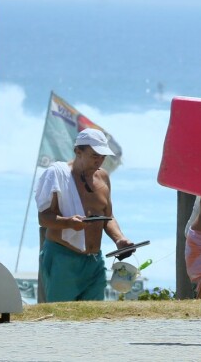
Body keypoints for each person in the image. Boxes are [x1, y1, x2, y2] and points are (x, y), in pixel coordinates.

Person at [35, 128, 133, 302]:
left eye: (103, 156)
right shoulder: (56, 174)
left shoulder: (103, 177)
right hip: (62, 257)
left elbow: (107, 216)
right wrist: (68, 223)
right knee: (61, 319)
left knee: (92, 319)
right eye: (95, 155)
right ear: (78, 152)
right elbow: (43, 218)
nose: (100, 161)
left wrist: (119, 239)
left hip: (94, 260)